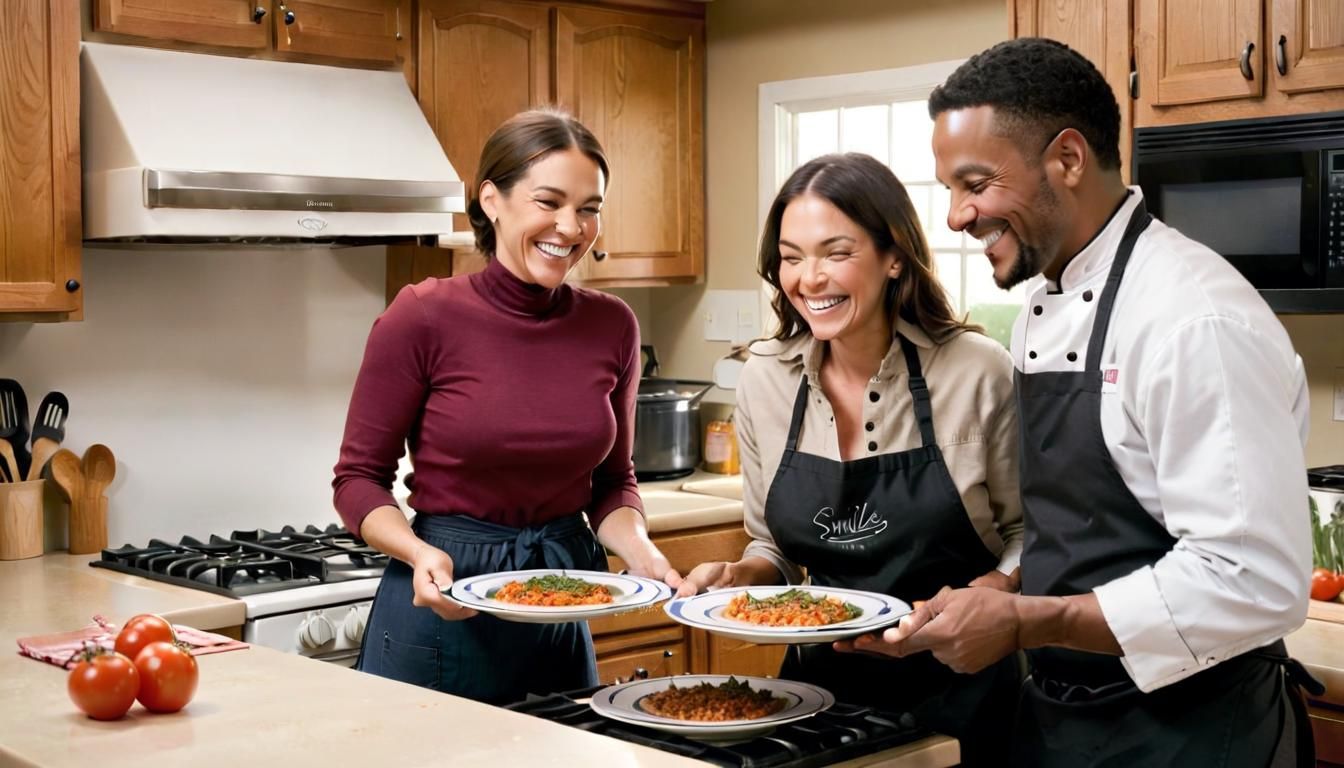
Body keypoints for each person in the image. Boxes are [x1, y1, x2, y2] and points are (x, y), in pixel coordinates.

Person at [839, 38, 1321, 767]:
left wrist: (1026, 622)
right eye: (948, 189)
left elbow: (1252, 581)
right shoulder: (1044, 300)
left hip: (1190, 731)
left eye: (974, 184)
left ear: (1066, 160)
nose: (956, 218)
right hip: (1067, 721)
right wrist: (996, 590)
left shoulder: (1192, 319)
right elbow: (1087, 521)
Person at [676, 152, 1025, 766]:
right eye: (790, 257)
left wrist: (991, 594)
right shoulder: (765, 377)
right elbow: (774, 551)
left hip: (964, 689)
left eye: (836, 252)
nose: (809, 279)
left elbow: (1034, 533)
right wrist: (739, 578)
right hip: (814, 702)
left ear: (894, 257)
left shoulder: (976, 371)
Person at [332, 108, 681, 705]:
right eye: (549, 202)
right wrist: (417, 552)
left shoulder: (612, 324)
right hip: (443, 601)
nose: (571, 228)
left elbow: (612, 482)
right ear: (492, 200)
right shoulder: (421, 315)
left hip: (559, 603)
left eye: (589, 208)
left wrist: (642, 552)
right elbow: (358, 480)